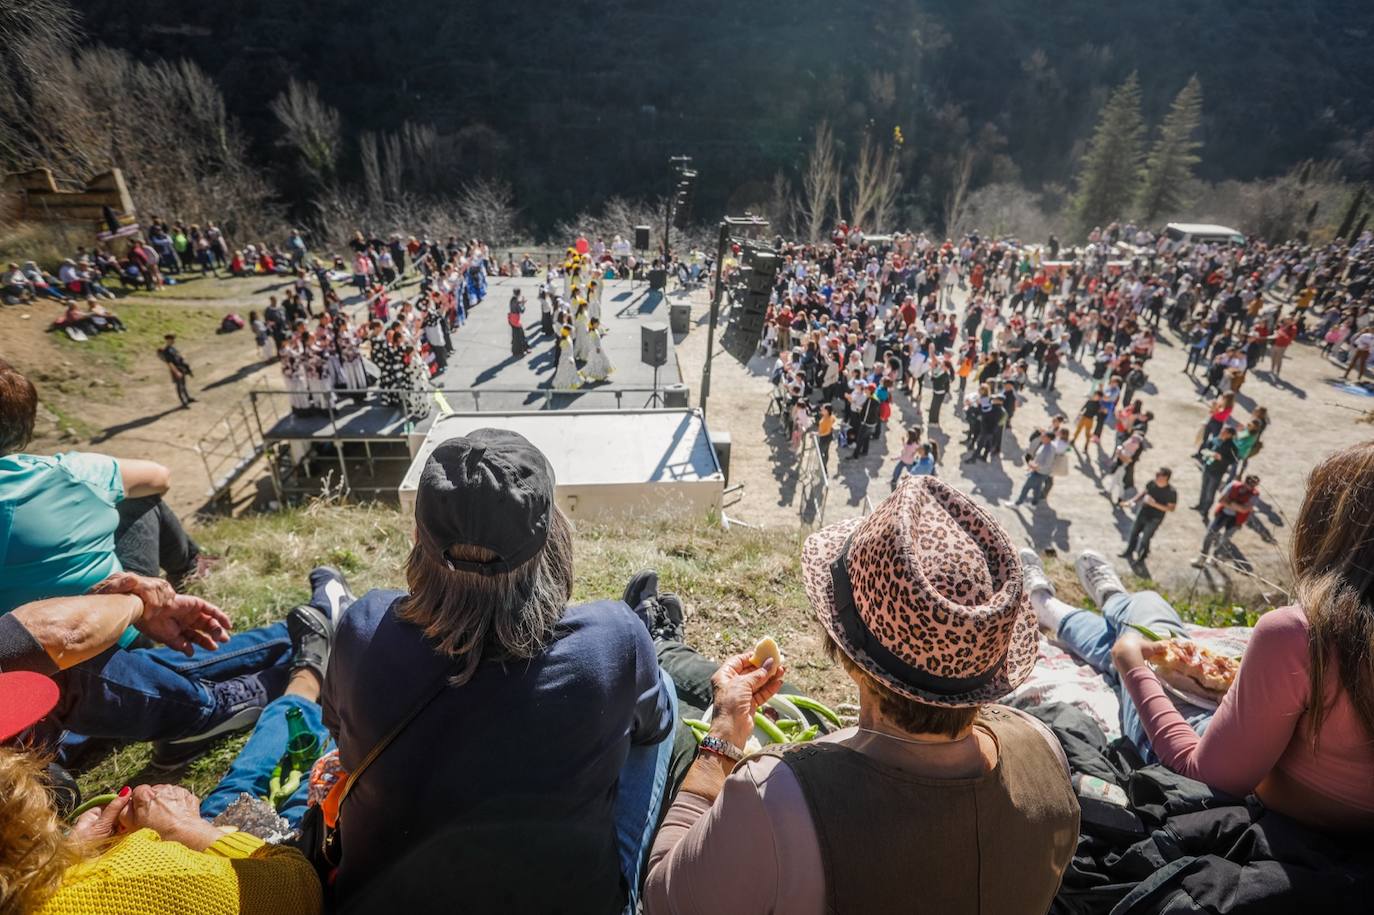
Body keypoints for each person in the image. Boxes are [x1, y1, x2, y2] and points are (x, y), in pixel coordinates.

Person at [645, 477, 1080, 914]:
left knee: (670, 726)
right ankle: (662, 648)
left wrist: (721, 737)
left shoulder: (773, 799)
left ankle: (654, 652)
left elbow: (664, 897)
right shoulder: (1044, 752)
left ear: (852, 661)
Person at [321, 430, 677, 907]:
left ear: (418, 539)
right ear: (552, 537)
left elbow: (338, 735)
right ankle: (667, 653)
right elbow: (654, 730)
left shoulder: (362, 628)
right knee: (662, 691)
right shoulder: (614, 638)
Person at [1029, 444, 1374, 833]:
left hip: (1231, 797)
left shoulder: (1300, 635)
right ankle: (1088, 604)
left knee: (1149, 624)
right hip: (1330, 834)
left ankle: (1073, 604)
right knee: (1150, 628)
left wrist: (1131, 665)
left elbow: (1203, 774)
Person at [0, 671, 324, 914]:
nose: (38, 750)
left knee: (241, 784)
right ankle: (306, 684)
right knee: (313, 788)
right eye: (24, 738)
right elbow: (301, 887)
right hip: (276, 862)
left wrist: (64, 856)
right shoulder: (130, 880)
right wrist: (185, 829)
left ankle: (302, 685)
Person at [1193, 474, 1261, 567]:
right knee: (1210, 534)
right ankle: (1203, 557)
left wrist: (1231, 503)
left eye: (1253, 485)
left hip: (1237, 519)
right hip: (1223, 514)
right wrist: (1237, 506)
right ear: (1245, 482)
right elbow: (1221, 500)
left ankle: (1215, 557)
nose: (1251, 487)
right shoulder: (1233, 485)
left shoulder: (1254, 494)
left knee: (1225, 539)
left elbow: (1245, 509)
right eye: (1250, 484)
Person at [1119, 467, 1176, 563]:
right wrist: (1132, 501)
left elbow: (1171, 508)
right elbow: (1144, 492)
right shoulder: (1152, 483)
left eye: (1159, 475)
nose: (1156, 477)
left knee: (1146, 538)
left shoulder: (1171, 492)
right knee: (1134, 533)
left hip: (1155, 518)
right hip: (1143, 512)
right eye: (1156, 475)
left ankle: (1141, 557)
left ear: (1166, 478)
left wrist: (1154, 504)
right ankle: (1129, 551)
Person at [1194, 426, 1240, 515]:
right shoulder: (1216, 440)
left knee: (1210, 491)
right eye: (1222, 431)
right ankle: (1200, 505)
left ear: (1230, 435)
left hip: (1217, 472)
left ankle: (1205, 510)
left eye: (1224, 432)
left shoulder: (1233, 447)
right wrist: (1206, 453)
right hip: (1207, 467)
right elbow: (1208, 448)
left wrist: (1221, 458)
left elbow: (1233, 461)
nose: (1221, 433)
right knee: (1204, 488)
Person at [1014, 430, 1055, 507]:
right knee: (1037, 488)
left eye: (1044, 436)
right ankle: (1034, 503)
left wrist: (1033, 466)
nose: (1041, 437)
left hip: (1039, 472)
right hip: (1042, 472)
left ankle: (1018, 503)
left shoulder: (1048, 449)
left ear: (1049, 439)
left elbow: (1045, 463)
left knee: (1026, 487)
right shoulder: (1047, 445)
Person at [157, 333, 194, 408]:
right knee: (179, 386)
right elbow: (169, 363)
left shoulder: (172, 348)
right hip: (176, 369)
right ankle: (183, 402)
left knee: (183, 384)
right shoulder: (166, 351)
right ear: (168, 340)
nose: (174, 340)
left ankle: (188, 398)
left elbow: (178, 356)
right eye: (172, 339)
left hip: (181, 368)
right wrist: (176, 372)